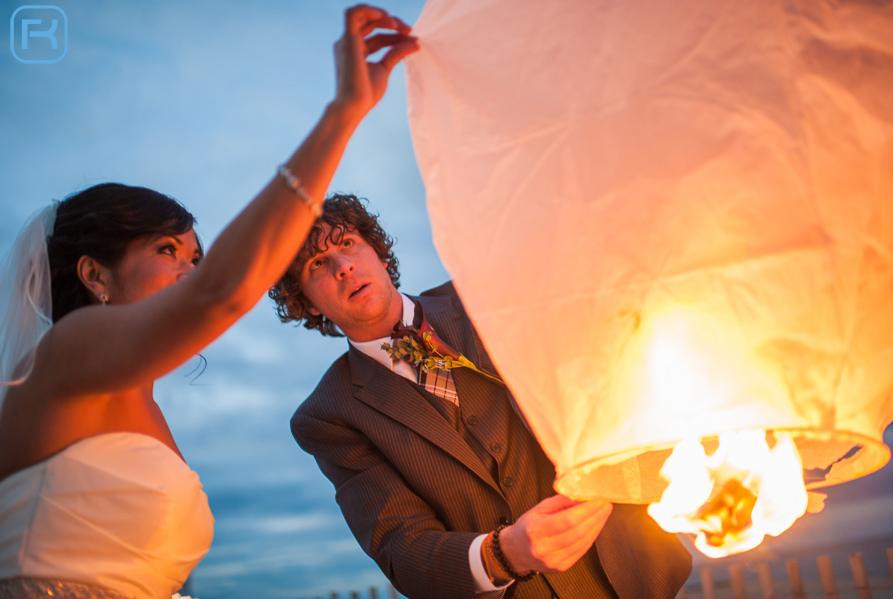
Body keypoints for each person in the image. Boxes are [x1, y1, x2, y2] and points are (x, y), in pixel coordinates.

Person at [0, 7, 418, 599]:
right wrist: (344, 111)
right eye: (167, 248)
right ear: (94, 273)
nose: (189, 270)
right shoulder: (64, 354)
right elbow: (221, 292)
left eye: (196, 258)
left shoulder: (143, 409)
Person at [271, 195, 693, 599]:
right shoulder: (328, 416)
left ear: (379, 254)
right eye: (318, 264)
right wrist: (504, 554)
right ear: (307, 303)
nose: (343, 266)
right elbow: (401, 548)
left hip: (644, 571)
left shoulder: (487, 295)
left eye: (348, 244)